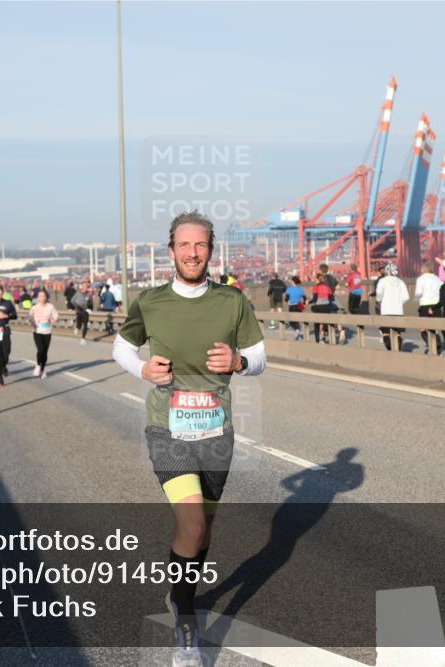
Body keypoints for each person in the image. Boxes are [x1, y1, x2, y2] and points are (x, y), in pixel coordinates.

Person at [112, 211, 265, 667]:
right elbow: (121, 346)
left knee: (202, 533)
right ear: (171, 250)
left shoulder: (232, 302)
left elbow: (259, 358)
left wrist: (238, 362)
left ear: (210, 250)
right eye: (184, 245)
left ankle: (179, 590)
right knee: (193, 524)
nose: (193, 253)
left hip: (217, 431)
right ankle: (186, 631)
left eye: (200, 245)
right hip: (168, 427)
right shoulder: (151, 301)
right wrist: (140, 368)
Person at [375, 262, 408, 351]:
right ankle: (398, 351)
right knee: (398, 333)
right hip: (398, 311)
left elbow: (378, 296)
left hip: (386, 311)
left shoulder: (382, 281)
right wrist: (398, 303)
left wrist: (380, 300)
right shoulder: (401, 282)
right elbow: (406, 297)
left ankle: (390, 350)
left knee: (385, 333)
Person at [414, 261, 443, 354]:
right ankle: (437, 346)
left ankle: (432, 345)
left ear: (423, 269)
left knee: (423, 329)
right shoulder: (437, 279)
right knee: (434, 328)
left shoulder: (421, 279)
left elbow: (418, 293)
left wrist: (416, 297)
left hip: (425, 305)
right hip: (436, 306)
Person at [28, 289, 59, 378]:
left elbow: (56, 316)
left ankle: (43, 369)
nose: (42, 298)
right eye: (40, 296)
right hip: (37, 331)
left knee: (45, 352)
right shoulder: (34, 307)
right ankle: (38, 365)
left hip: (47, 331)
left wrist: (53, 320)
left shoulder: (50, 307)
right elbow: (29, 317)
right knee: (40, 349)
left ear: (46, 297)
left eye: (44, 296)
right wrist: (33, 323)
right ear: (38, 298)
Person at [318, 263, 345, 344]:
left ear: (320, 270)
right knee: (335, 317)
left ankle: (322, 338)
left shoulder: (320, 278)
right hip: (333, 299)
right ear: (327, 269)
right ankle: (341, 331)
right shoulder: (332, 278)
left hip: (324, 299)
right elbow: (338, 287)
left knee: (321, 320)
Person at [309, 272, 333, 344]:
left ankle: (317, 340)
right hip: (327, 307)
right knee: (325, 320)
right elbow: (331, 298)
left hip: (319, 307)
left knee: (317, 322)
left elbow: (314, 300)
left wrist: (308, 302)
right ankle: (326, 335)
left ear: (317, 279)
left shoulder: (316, 287)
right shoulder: (328, 287)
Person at [284, 276, 307, 341]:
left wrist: (288, 301)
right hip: (299, 306)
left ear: (293, 281)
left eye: (291, 281)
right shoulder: (300, 289)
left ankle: (297, 331)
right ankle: (298, 332)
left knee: (291, 321)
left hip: (292, 306)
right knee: (297, 319)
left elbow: (286, 299)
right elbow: (305, 299)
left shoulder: (289, 289)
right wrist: (304, 305)